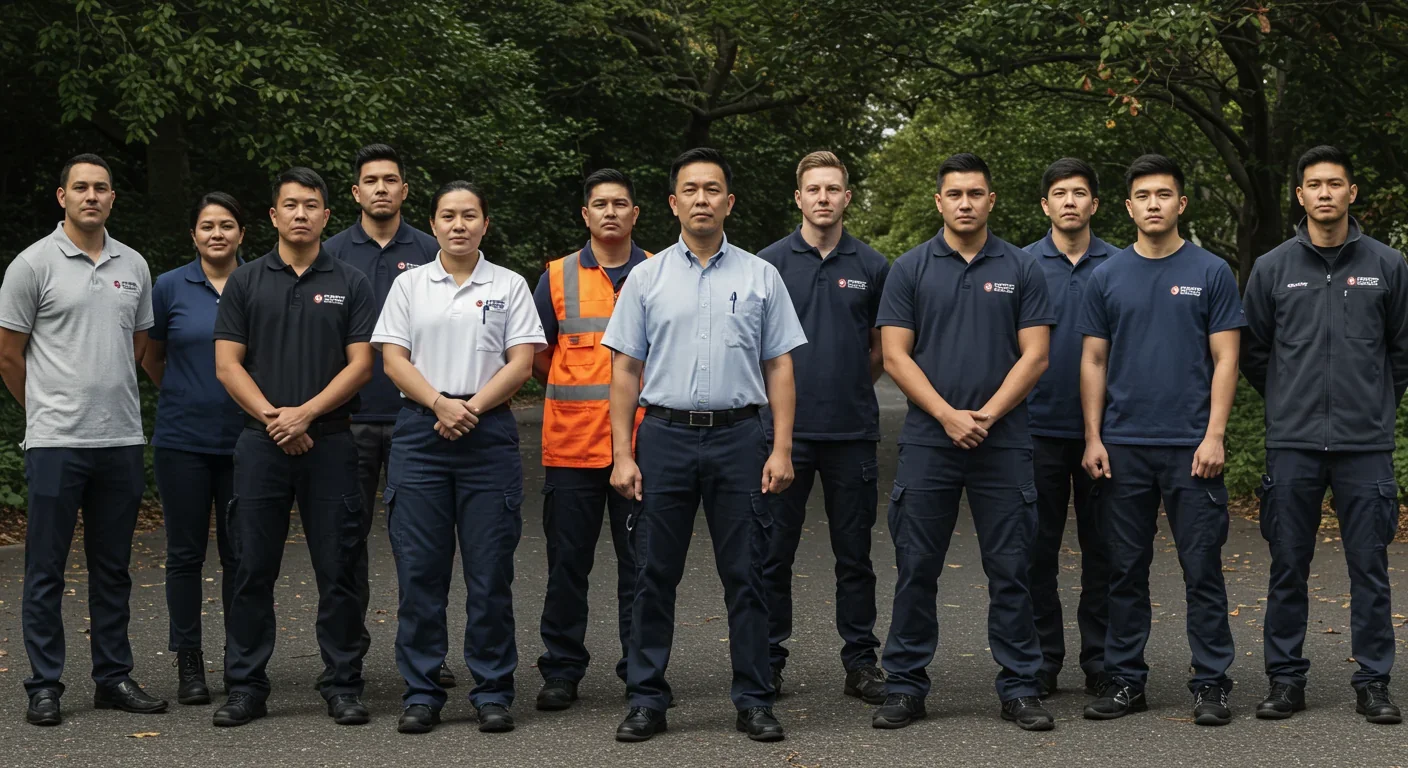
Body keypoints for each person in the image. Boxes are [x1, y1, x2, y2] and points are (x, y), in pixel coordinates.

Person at [603, 147, 807, 743]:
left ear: (729, 202)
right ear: (673, 203)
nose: (701, 199)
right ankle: (646, 698)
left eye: (712, 189)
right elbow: (624, 370)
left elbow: (780, 366)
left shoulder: (761, 276)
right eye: (690, 190)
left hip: (740, 438)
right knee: (652, 573)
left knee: (748, 573)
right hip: (663, 437)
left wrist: (782, 448)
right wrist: (622, 454)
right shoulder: (646, 278)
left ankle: (754, 698)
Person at [872, 152, 1055, 732]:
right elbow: (895, 356)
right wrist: (948, 416)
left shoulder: (1023, 268)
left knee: (1012, 568)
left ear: (991, 200)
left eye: (976, 193)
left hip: (1004, 441)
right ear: (939, 201)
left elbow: (1036, 355)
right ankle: (905, 686)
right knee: (916, 566)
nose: (966, 203)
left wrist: (987, 416)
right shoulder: (910, 269)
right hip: (929, 440)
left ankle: (1020, 687)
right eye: (955, 194)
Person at [0, 153, 168, 726]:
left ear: (113, 198)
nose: (91, 196)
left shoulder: (134, 265)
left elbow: (139, 345)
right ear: (62, 196)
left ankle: (112, 677)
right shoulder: (32, 264)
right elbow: (8, 355)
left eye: (101, 188)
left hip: (119, 440)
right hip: (55, 443)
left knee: (113, 569)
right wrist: (45, 413)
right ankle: (44, 685)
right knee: (46, 569)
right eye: (80, 188)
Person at [1242, 144, 1406, 725]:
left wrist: (1374, 402)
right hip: (1293, 444)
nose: (1325, 193)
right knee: (1288, 566)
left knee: (1370, 569)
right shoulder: (1272, 268)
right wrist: (1288, 400)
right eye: (1314, 184)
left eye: (1335, 183)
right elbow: (1254, 352)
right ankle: (1285, 681)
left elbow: (1401, 351)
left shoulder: (1388, 265)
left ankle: (1373, 683)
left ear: (1351, 192)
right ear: (1300, 195)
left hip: (1366, 446)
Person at [1078, 154, 1244, 726]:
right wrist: (1093, 437)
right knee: (1124, 570)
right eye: (1144, 195)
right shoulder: (1107, 276)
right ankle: (1126, 681)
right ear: (1129, 207)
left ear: (1181, 203)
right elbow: (1093, 360)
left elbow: (1227, 359)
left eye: (1164, 194)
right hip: (1123, 446)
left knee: (1203, 570)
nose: (1154, 204)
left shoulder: (1211, 271)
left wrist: (1215, 435)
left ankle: (1211, 683)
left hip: (1192, 449)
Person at [375, 180, 545, 734]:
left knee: (489, 573)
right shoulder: (409, 285)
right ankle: (422, 692)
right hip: (420, 432)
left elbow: (522, 362)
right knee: (420, 573)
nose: (459, 225)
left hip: (487, 432)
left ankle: (492, 690)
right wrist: (439, 404)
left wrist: (470, 408)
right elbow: (393, 360)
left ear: (485, 224)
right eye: (448, 215)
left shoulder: (509, 284)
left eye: (470, 215)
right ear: (433, 224)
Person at [211, 167, 376, 727]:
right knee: (251, 567)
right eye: (290, 205)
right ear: (273, 215)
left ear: (327, 215)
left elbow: (362, 364)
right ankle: (246, 686)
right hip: (261, 444)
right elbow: (227, 364)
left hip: (331, 443)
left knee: (340, 567)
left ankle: (343, 683)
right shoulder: (245, 281)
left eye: (310, 205)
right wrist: (276, 419)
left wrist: (307, 414)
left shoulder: (352, 281)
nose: (300, 214)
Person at [756, 150, 889, 704]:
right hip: (780, 436)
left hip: (851, 432)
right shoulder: (767, 265)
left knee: (854, 556)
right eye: (814, 189)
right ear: (799, 197)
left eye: (833, 189)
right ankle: (766, 660)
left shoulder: (874, 266)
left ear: (847, 197)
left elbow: (882, 349)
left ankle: (860, 663)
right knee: (772, 554)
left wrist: (849, 382)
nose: (823, 198)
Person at [323, 144, 448, 687]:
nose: (381, 188)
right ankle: (347, 659)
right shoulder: (329, 252)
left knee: (421, 548)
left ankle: (427, 655)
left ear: (404, 190)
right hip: (346, 421)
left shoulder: (432, 250)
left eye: (390, 179)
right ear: (356, 192)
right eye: (370, 180)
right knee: (344, 544)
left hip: (417, 420)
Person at [530, 169, 651, 711]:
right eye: (600, 204)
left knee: (642, 567)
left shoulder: (660, 271)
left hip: (644, 447)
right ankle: (561, 671)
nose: (610, 212)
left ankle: (641, 670)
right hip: (572, 447)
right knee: (566, 566)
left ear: (635, 213)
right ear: (585, 214)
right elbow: (536, 355)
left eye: (620, 204)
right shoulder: (556, 276)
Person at [141, 192, 249, 706]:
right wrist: (186, 392)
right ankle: (189, 661)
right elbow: (152, 356)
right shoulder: (168, 286)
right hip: (182, 440)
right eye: (207, 226)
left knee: (240, 555)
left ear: (241, 233)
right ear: (194, 235)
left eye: (226, 225)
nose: (216, 234)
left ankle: (239, 658)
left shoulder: (257, 282)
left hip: (245, 440)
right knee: (184, 555)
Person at [1022, 158, 1118, 698]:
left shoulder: (1122, 264)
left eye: (1079, 193)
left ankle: (1102, 659)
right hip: (1035, 429)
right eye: (1059, 194)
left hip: (1106, 433)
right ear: (1046, 205)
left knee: (1103, 551)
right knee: (1036, 551)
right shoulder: (1021, 265)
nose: (1070, 202)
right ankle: (1042, 659)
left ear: (1094, 204)